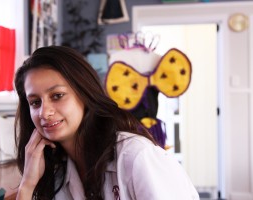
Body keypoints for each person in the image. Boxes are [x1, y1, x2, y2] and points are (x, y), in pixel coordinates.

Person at [14, 45, 200, 200]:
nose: (44, 112)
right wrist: (27, 185)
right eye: (35, 102)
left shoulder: (136, 156)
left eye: (57, 96)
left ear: (84, 94)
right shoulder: (56, 174)